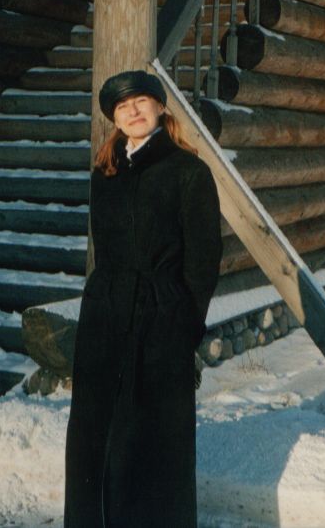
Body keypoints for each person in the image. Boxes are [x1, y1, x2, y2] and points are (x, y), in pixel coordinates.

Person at [64, 70, 222, 527]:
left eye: (140, 102)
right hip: (105, 317)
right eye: (122, 107)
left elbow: (204, 259)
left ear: (159, 107)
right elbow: (103, 247)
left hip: (160, 319)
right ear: (114, 118)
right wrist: (99, 301)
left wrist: (185, 324)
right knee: (95, 438)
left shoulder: (189, 172)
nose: (132, 112)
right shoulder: (105, 173)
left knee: (152, 444)